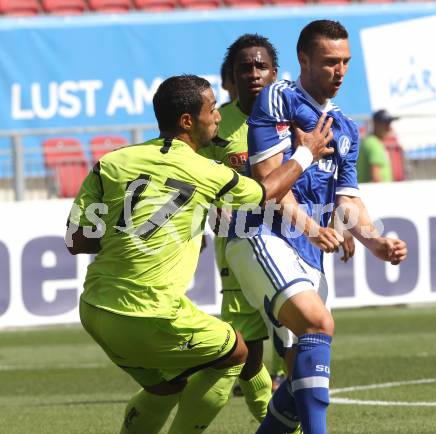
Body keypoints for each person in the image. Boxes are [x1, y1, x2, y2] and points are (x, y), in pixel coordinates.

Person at [64, 74, 334, 434]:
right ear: (187, 121)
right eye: (211, 110)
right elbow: (266, 192)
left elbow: (76, 240)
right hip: (150, 312)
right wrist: (306, 152)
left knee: (165, 387)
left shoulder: (113, 162)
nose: (218, 117)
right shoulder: (204, 170)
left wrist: (133, 236)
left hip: (95, 310)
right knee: (236, 351)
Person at [225, 20, 408, 434]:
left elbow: (348, 200)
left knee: (304, 371)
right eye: (329, 62)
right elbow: (269, 181)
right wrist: (310, 226)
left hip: (306, 251)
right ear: (303, 60)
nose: (339, 71)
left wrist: (375, 240)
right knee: (318, 323)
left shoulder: (345, 126)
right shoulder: (279, 98)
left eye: (345, 62)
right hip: (261, 234)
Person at [200, 33, 281, 423]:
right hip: (237, 243)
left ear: (274, 72)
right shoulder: (215, 128)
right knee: (244, 348)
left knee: (301, 335)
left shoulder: (291, 119)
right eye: (244, 68)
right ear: (230, 78)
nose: (253, 73)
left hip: (290, 238)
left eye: (260, 66)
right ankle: (273, 418)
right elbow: (191, 178)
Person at [357, 109, 399, 183]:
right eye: (385, 123)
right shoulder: (373, 144)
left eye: (389, 123)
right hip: (378, 192)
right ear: (375, 124)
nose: (388, 127)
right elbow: (376, 176)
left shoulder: (371, 141)